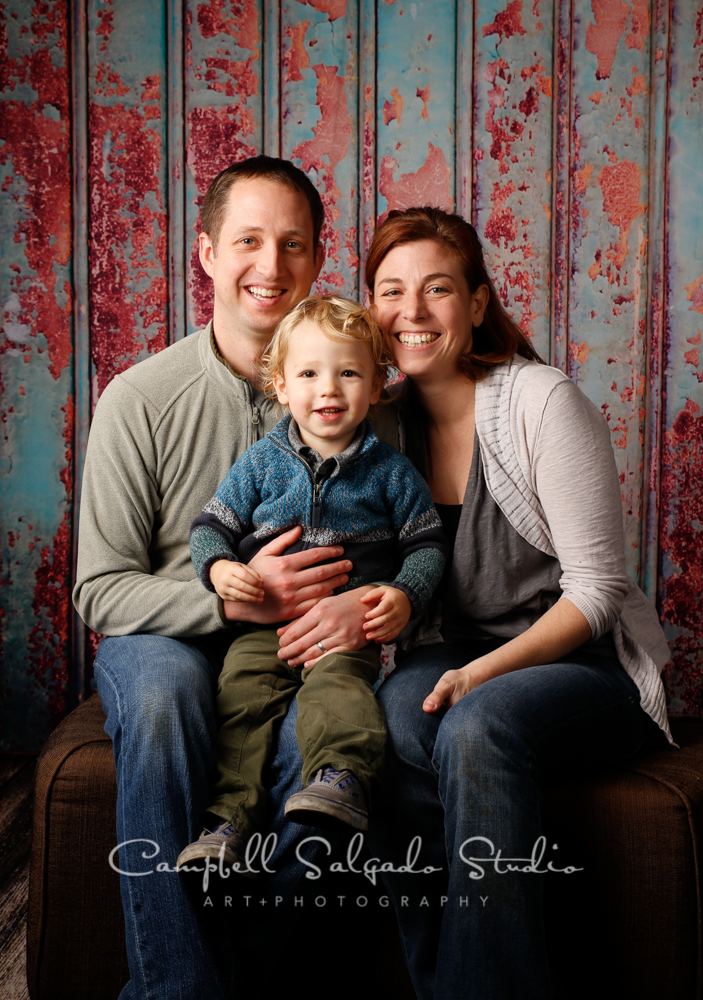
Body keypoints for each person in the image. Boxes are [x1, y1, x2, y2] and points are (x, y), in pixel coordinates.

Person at [73, 157, 398, 1000]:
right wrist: (230, 594)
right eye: (248, 240)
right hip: (168, 639)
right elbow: (101, 587)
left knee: (314, 761)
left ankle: (220, 979)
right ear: (208, 253)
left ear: (319, 258)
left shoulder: (360, 408)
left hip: (302, 651)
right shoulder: (140, 399)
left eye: (293, 244)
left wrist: (365, 610)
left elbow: (409, 555)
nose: (271, 264)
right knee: (162, 696)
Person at [363, 207, 673, 1000]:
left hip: (586, 664)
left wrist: (483, 675)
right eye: (391, 291)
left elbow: (598, 591)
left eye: (437, 289)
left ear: (476, 302)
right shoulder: (381, 427)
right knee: (396, 718)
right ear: (370, 309)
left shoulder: (539, 399)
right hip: (450, 655)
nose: (414, 312)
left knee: (478, 722)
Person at [177, 295, 447, 869]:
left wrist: (403, 593)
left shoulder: (390, 471)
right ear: (279, 384)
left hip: (349, 634)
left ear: (377, 386)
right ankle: (227, 819)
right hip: (266, 628)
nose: (328, 389)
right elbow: (210, 528)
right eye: (308, 373)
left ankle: (339, 781)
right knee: (242, 698)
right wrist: (222, 570)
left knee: (340, 691)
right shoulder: (261, 462)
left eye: (349, 373)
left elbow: (427, 545)